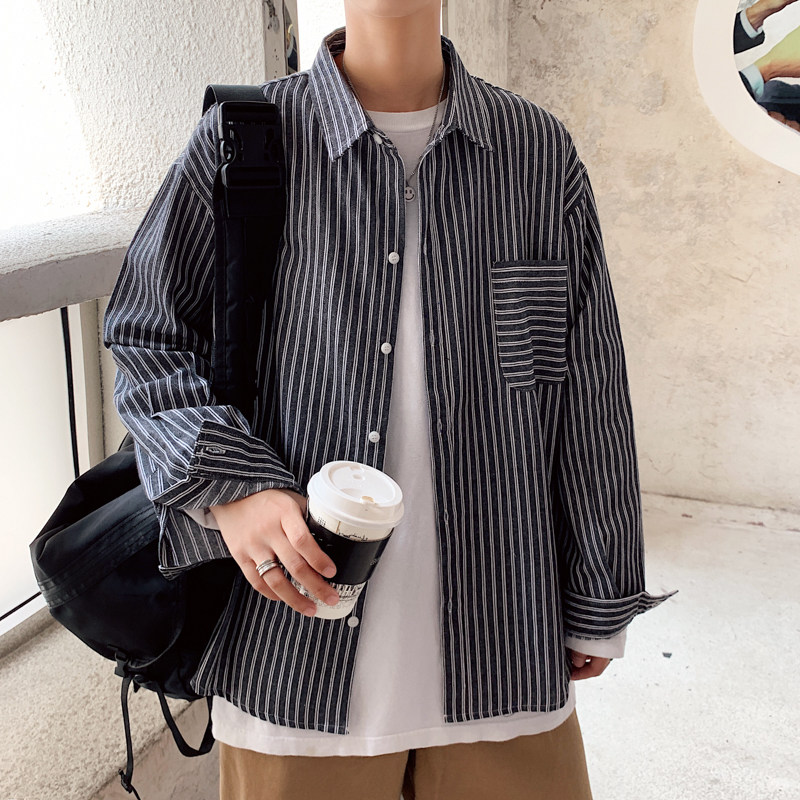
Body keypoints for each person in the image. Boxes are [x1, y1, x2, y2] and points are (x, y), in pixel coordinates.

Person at [102, 1, 677, 797]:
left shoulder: (536, 152)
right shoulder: (247, 139)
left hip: (506, 641)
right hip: (291, 658)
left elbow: (588, 386)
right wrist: (232, 488)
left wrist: (600, 588)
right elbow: (147, 333)